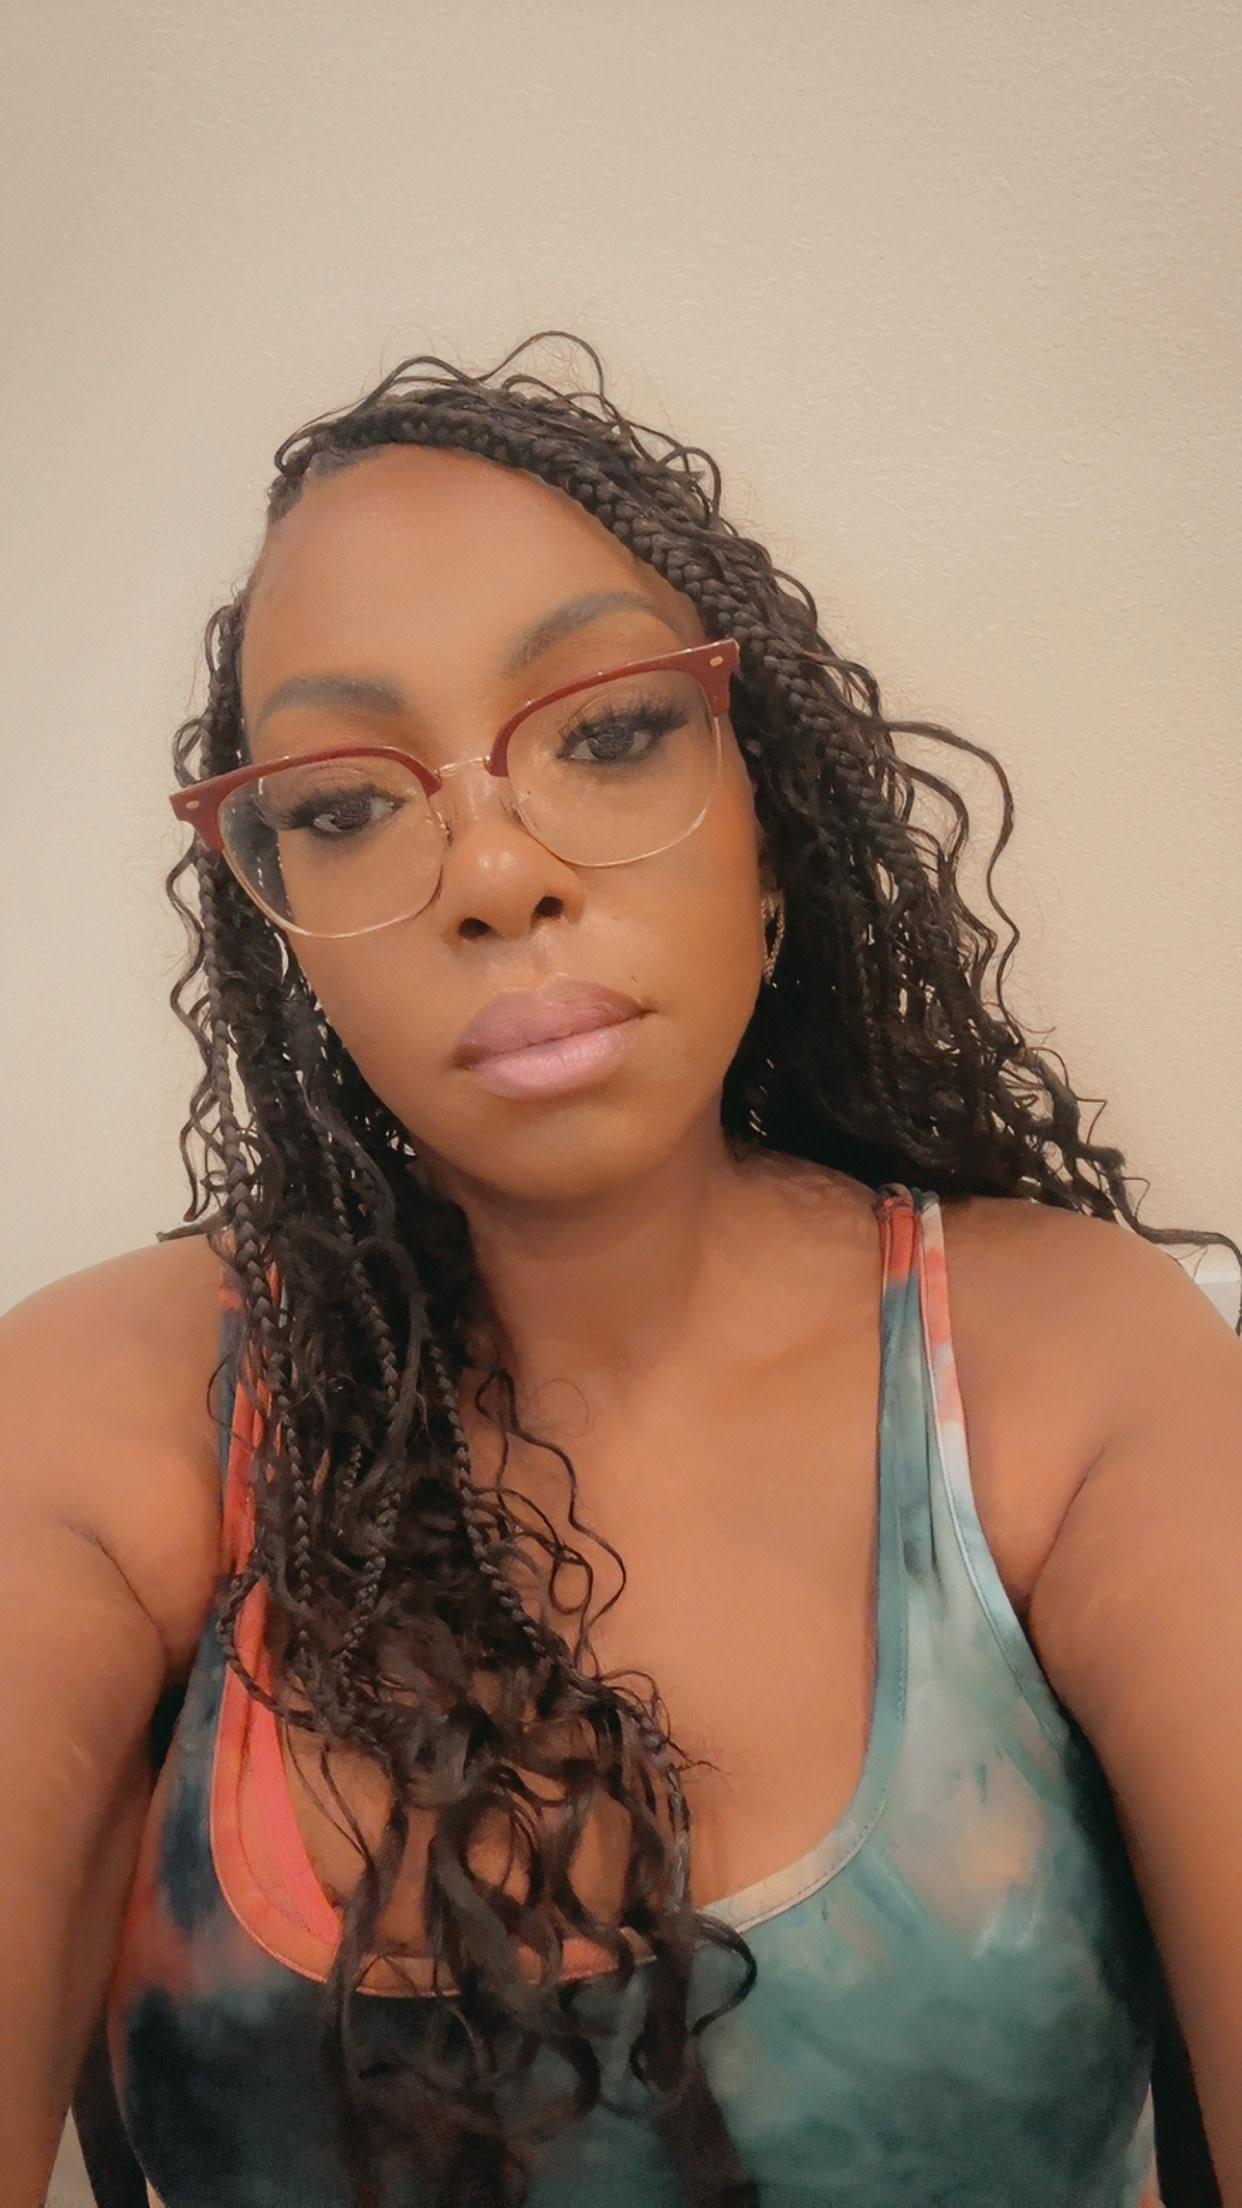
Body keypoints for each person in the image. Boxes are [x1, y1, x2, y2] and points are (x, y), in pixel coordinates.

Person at [2, 339, 1240, 2208]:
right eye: (341, 805)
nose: (492, 874)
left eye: (606, 731)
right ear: (286, 937)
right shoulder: (110, 1417)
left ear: (770, 822)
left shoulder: (1070, 1371)